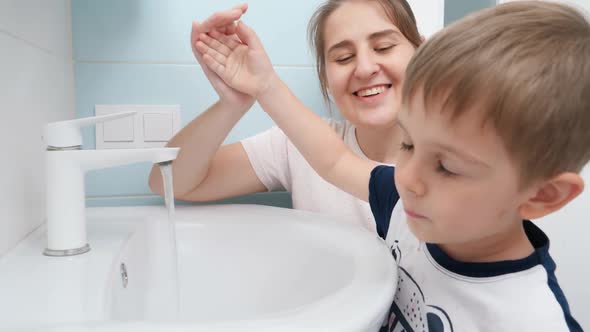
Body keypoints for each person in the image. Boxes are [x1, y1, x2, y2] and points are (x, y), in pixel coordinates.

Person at [195, 1, 588, 330]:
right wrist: (264, 85)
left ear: (542, 195)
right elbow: (333, 160)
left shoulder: (530, 319)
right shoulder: (406, 207)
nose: (409, 175)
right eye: (408, 144)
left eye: (447, 166)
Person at [148, 0, 423, 231]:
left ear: (424, 54)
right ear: (325, 77)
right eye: (343, 58)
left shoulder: (452, 160)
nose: (364, 68)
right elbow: (167, 180)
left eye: (384, 47)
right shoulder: (298, 145)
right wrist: (233, 103)